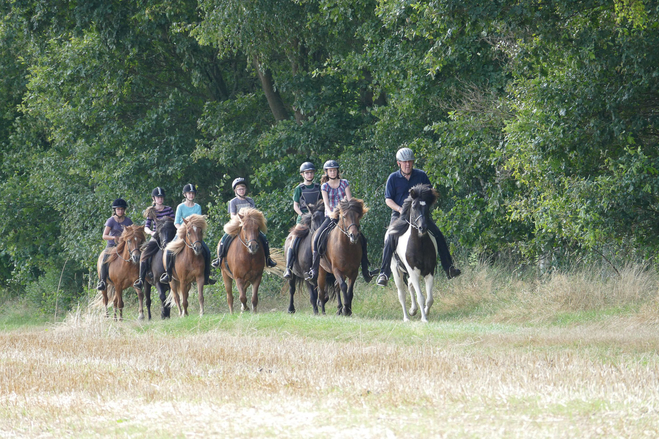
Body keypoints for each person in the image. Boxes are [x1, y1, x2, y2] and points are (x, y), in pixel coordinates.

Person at [375, 147, 461, 287]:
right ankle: (384, 273)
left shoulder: (421, 175)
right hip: (400, 215)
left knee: (438, 234)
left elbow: (430, 194)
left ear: (413, 162)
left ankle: (449, 268)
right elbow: (388, 200)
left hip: (419, 215)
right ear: (399, 163)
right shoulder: (393, 178)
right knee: (390, 236)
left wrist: (424, 206)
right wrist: (400, 208)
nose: (407, 164)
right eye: (404, 162)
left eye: (410, 161)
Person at [305, 160, 374, 284]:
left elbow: (350, 200)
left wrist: (350, 211)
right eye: (330, 170)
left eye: (335, 170)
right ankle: (314, 270)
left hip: (346, 216)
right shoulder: (324, 186)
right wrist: (332, 212)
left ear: (337, 171)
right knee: (317, 238)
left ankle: (365, 270)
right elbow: (326, 203)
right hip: (331, 217)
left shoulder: (344, 183)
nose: (333, 172)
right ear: (326, 172)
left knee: (362, 239)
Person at [213, 177, 277, 269]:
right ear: (235, 190)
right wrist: (241, 220)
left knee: (264, 238)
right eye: (239, 189)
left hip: (250, 226)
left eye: (243, 189)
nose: (242, 191)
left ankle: (268, 259)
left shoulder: (250, 200)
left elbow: (254, 214)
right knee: (224, 239)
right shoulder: (233, 202)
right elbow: (232, 215)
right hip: (237, 225)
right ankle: (219, 259)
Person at [160, 183, 216, 285]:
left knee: (207, 251)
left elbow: (199, 222)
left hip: (194, 234)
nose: (191, 195)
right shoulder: (180, 207)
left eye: (192, 193)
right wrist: (182, 230)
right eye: (189, 193)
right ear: (185, 195)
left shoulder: (197, 207)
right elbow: (176, 222)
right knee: (168, 250)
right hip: (182, 233)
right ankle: (168, 274)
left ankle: (207, 275)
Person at [283, 162, 322, 279]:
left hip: (316, 217)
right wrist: (303, 215)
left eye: (311, 172)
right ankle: (288, 268)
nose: (309, 175)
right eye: (307, 173)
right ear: (302, 174)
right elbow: (295, 206)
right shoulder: (299, 189)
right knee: (294, 239)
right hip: (303, 218)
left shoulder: (318, 187)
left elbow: (321, 203)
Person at [133, 187, 175, 289]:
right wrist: (151, 232)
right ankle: (141, 279)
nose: (160, 199)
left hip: (169, 235)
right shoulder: (152, 211)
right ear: (154, 198)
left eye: (161, 197)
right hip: (157, 235)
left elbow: (173, 223)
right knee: (144, 254)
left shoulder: (169, 209)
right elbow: (146, 226)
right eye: (158, 197)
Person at [97, 198, 134, 290]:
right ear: (115, 210)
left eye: (122, 209)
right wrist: (113, 237)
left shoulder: (128, 221)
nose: (120, 211)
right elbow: (104, 236)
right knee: (105, 258)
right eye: (118, 209)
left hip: (125, 245)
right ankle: (102, 281)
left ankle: (140, 278)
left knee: (137, 254)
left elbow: (132, 233)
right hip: (112, 245)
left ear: (124, 210)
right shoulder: (111, 220)